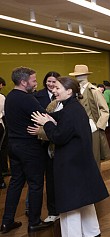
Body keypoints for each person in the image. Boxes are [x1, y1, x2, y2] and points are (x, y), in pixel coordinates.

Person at [31, 76, 109, 237]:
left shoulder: (70, 111)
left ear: (69, 91)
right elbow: (62, 118)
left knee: (69, 206)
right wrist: (49, 118)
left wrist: (47, 124)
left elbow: (59, 136)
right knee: (83, 199)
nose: (54, 90)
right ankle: (91, 231)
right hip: (79, 163)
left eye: (58, 88)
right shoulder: (74, 107)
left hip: (70, 164)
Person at [1, 67, 52, 234]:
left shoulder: (9, 97)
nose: (36, 83)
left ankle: (7, 221)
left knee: (15, 183)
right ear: (23, 82)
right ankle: (34, 222)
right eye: (34, 80)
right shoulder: (27, 99)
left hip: (13, 146)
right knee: (36, 184)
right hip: (29, 147)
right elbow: (45, 117)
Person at [69, 65, 110, 168]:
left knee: (94, 158)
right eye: (77, 75)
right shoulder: (74, 92)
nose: (78, 77)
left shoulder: (94, 91)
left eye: (81, 74)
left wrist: (98, 126)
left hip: (92, 129)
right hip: (78, 128)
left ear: (86, 75)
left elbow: (105, 110)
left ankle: (95, 183)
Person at [33, 71, 61, 223]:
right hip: (45, 143)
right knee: (48, 178)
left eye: (54, 82)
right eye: (48, 81)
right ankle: (52, 210)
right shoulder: (38, 97)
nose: (51, 85)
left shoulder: (67, 101)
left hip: (60, 143)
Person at [0, 77, 9, 177]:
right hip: (0, 125)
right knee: (3, 148)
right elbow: (4, 112)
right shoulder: (1, 97)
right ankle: (3, 169)